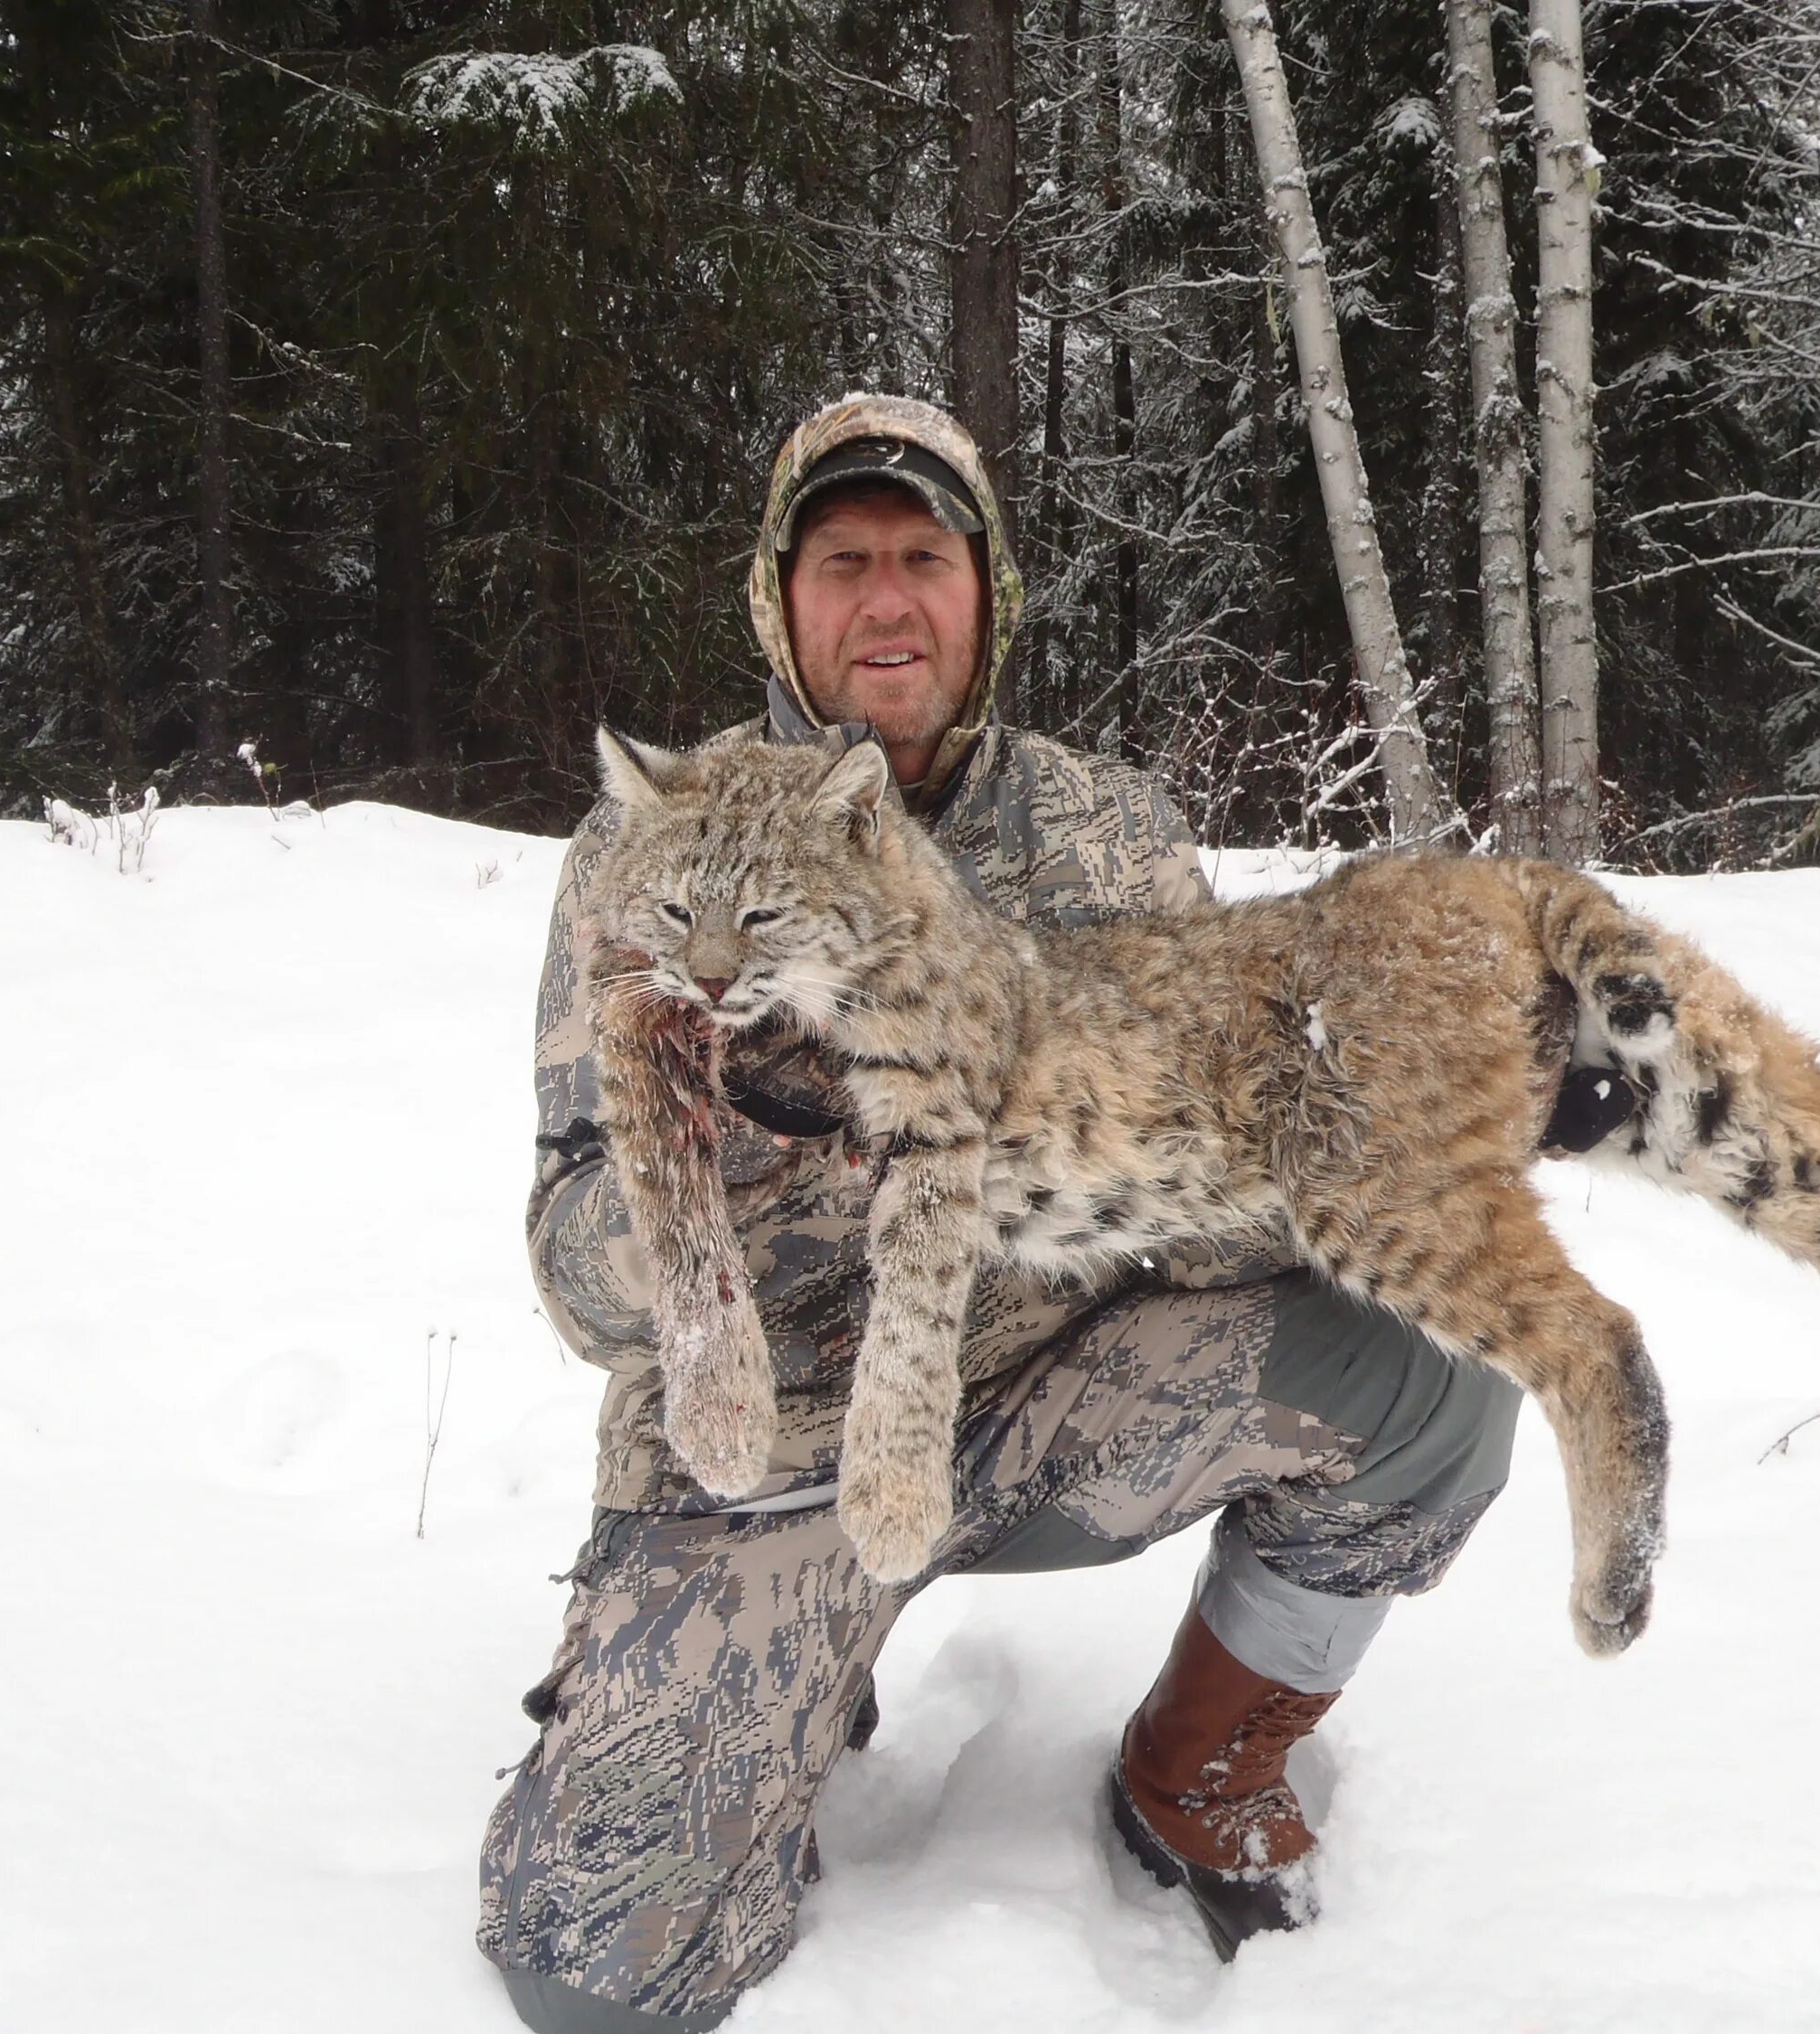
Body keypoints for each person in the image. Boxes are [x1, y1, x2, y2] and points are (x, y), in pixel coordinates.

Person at [478, 394, 1522, 2032]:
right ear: (779, 598)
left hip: (1050, 1393)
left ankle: (1194, 1767)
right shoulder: (651, 853)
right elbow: (578, 1270)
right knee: (593, 1975)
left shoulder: (1110, 829)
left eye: (924, 558)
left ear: (988, 596)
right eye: (842, 563)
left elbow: (1218, 1172)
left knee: (1437, 1364)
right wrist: (746, 1171)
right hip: (768, 1452)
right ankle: (787, 1693)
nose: (886, 600)